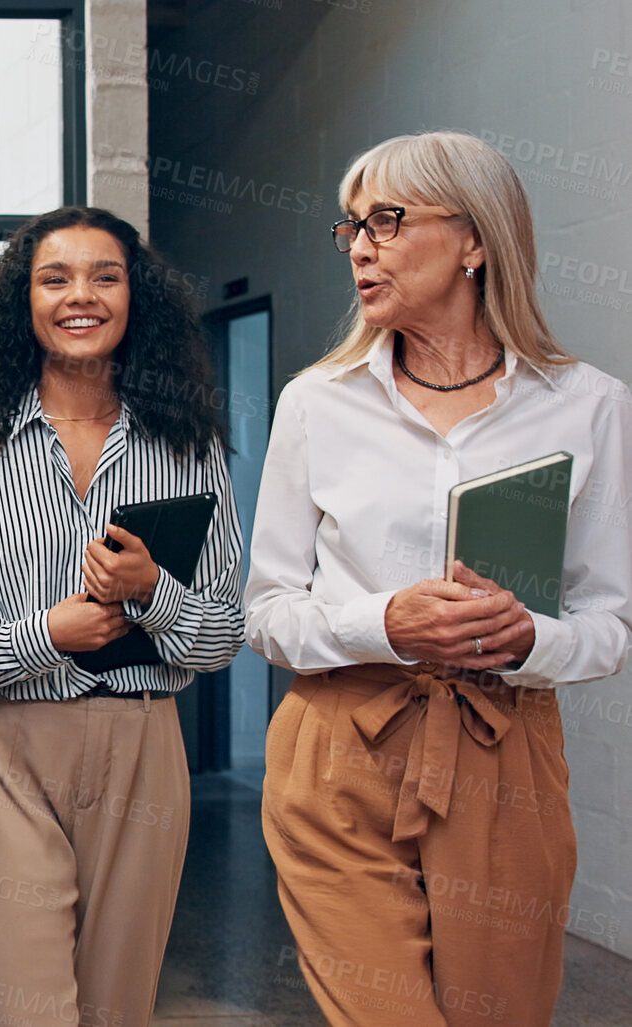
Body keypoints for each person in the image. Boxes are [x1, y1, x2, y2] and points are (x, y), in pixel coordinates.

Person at [247, 130, 631, 1027]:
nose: (363, 246)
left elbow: (611, 622)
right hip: (339, 742)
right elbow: (264, 614)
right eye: (351, 227)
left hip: (505, 749)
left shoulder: (589, 405)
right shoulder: (316, 401)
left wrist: (531, 636)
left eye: (387, 219)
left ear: (476, 240)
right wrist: (387, 622)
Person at [0, 206, 244, 1027]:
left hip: (143, 743)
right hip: (7, 749)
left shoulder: (186, 441)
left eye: (105, 277)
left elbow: (221, 632)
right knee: (24, 1003)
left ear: (135, 296)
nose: (81, 296)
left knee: (116, 1005)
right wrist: (46, 634)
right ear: (21, 301)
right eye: (54, 278)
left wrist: (150, 590)